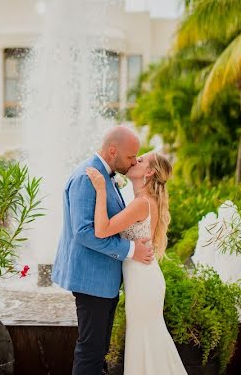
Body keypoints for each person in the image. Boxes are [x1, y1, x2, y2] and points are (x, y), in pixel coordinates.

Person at [52, 126, 155, 375]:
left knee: (98, 350)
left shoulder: (104, 176)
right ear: (112, 151)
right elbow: (84, 232)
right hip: (92, 279)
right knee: (90, 351)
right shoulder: (87, 177)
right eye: (131, 157)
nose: (132, 162)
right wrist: (131, 250)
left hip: (104, 281)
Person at [85, 151, 187, 374]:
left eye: (140, 160)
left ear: (149, 172)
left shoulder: (142, 203)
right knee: (147, 338)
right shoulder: (142, 200)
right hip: (143, 278)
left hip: (143, 281)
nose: (134, 160)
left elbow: (102, 230)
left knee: (144, 339)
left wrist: (101, 189)